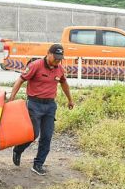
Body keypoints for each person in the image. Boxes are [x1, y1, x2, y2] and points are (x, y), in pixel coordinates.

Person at [8, 44, 75, 176]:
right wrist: (11, 98)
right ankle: (18, 149)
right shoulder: (35, 65)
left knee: (47, 136)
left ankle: (38, 164)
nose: (57, 61)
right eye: (55, 58)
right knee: (33, 134)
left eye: (59, 59)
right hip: (34, 104)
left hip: (50, 106)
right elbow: (20, 80)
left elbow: (64, 84)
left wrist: (70, 99)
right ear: (48, 54)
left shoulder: (59, 69)